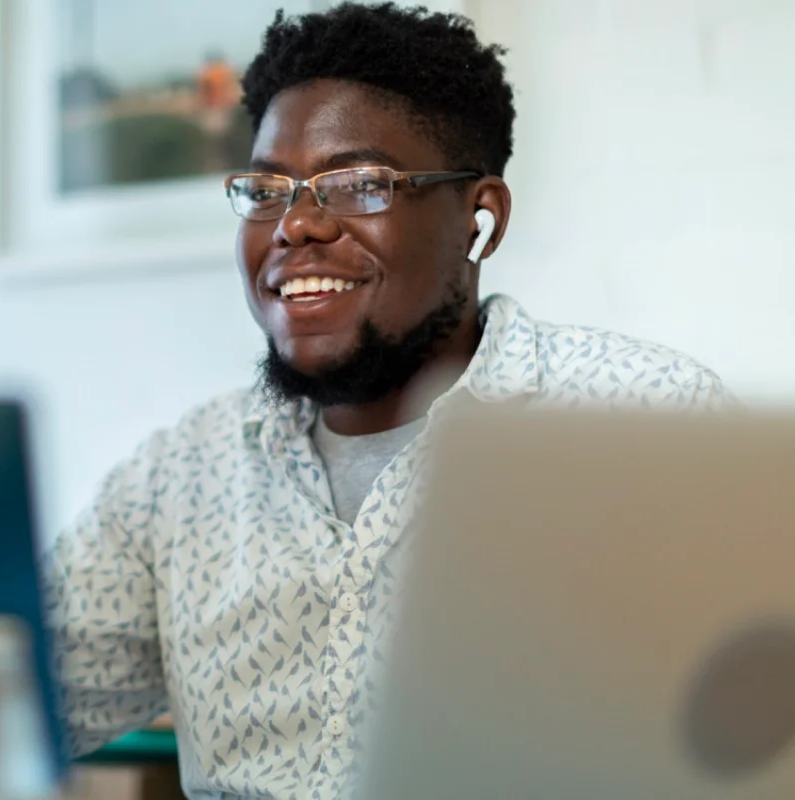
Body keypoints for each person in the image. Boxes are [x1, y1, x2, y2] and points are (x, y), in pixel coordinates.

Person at [44, 3, 732, 800]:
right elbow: (9, 696)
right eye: (266, 190)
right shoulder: (180, 480)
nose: (296, 223)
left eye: (358, 184)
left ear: (481, 218)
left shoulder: (643, 424)